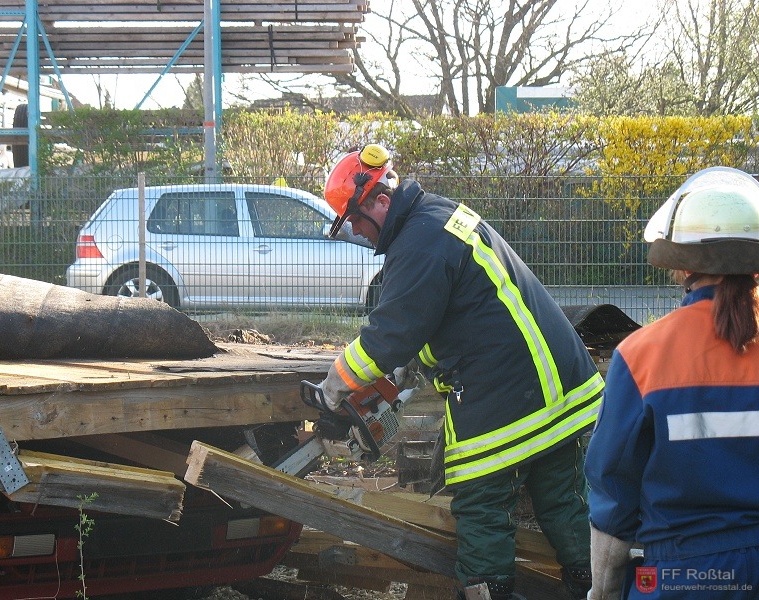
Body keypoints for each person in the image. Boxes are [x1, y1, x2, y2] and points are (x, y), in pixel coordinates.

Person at [317, 144, 605, 600]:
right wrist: (415, 369)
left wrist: (330, 392)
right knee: (565, 503)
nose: (356, 230)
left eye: (354, 218)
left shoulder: (417, 243)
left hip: (507, 396)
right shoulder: (439, 217)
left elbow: (387, 336)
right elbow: (451, 318)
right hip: (560, 389)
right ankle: (602, 589)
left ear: (379, 201)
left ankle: (487, 593)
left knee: (482, 506)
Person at [584, 166, 759, 600]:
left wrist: (603, 592)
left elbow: (613, 492)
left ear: (681, 266)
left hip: (680, 578)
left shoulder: (642, 355)